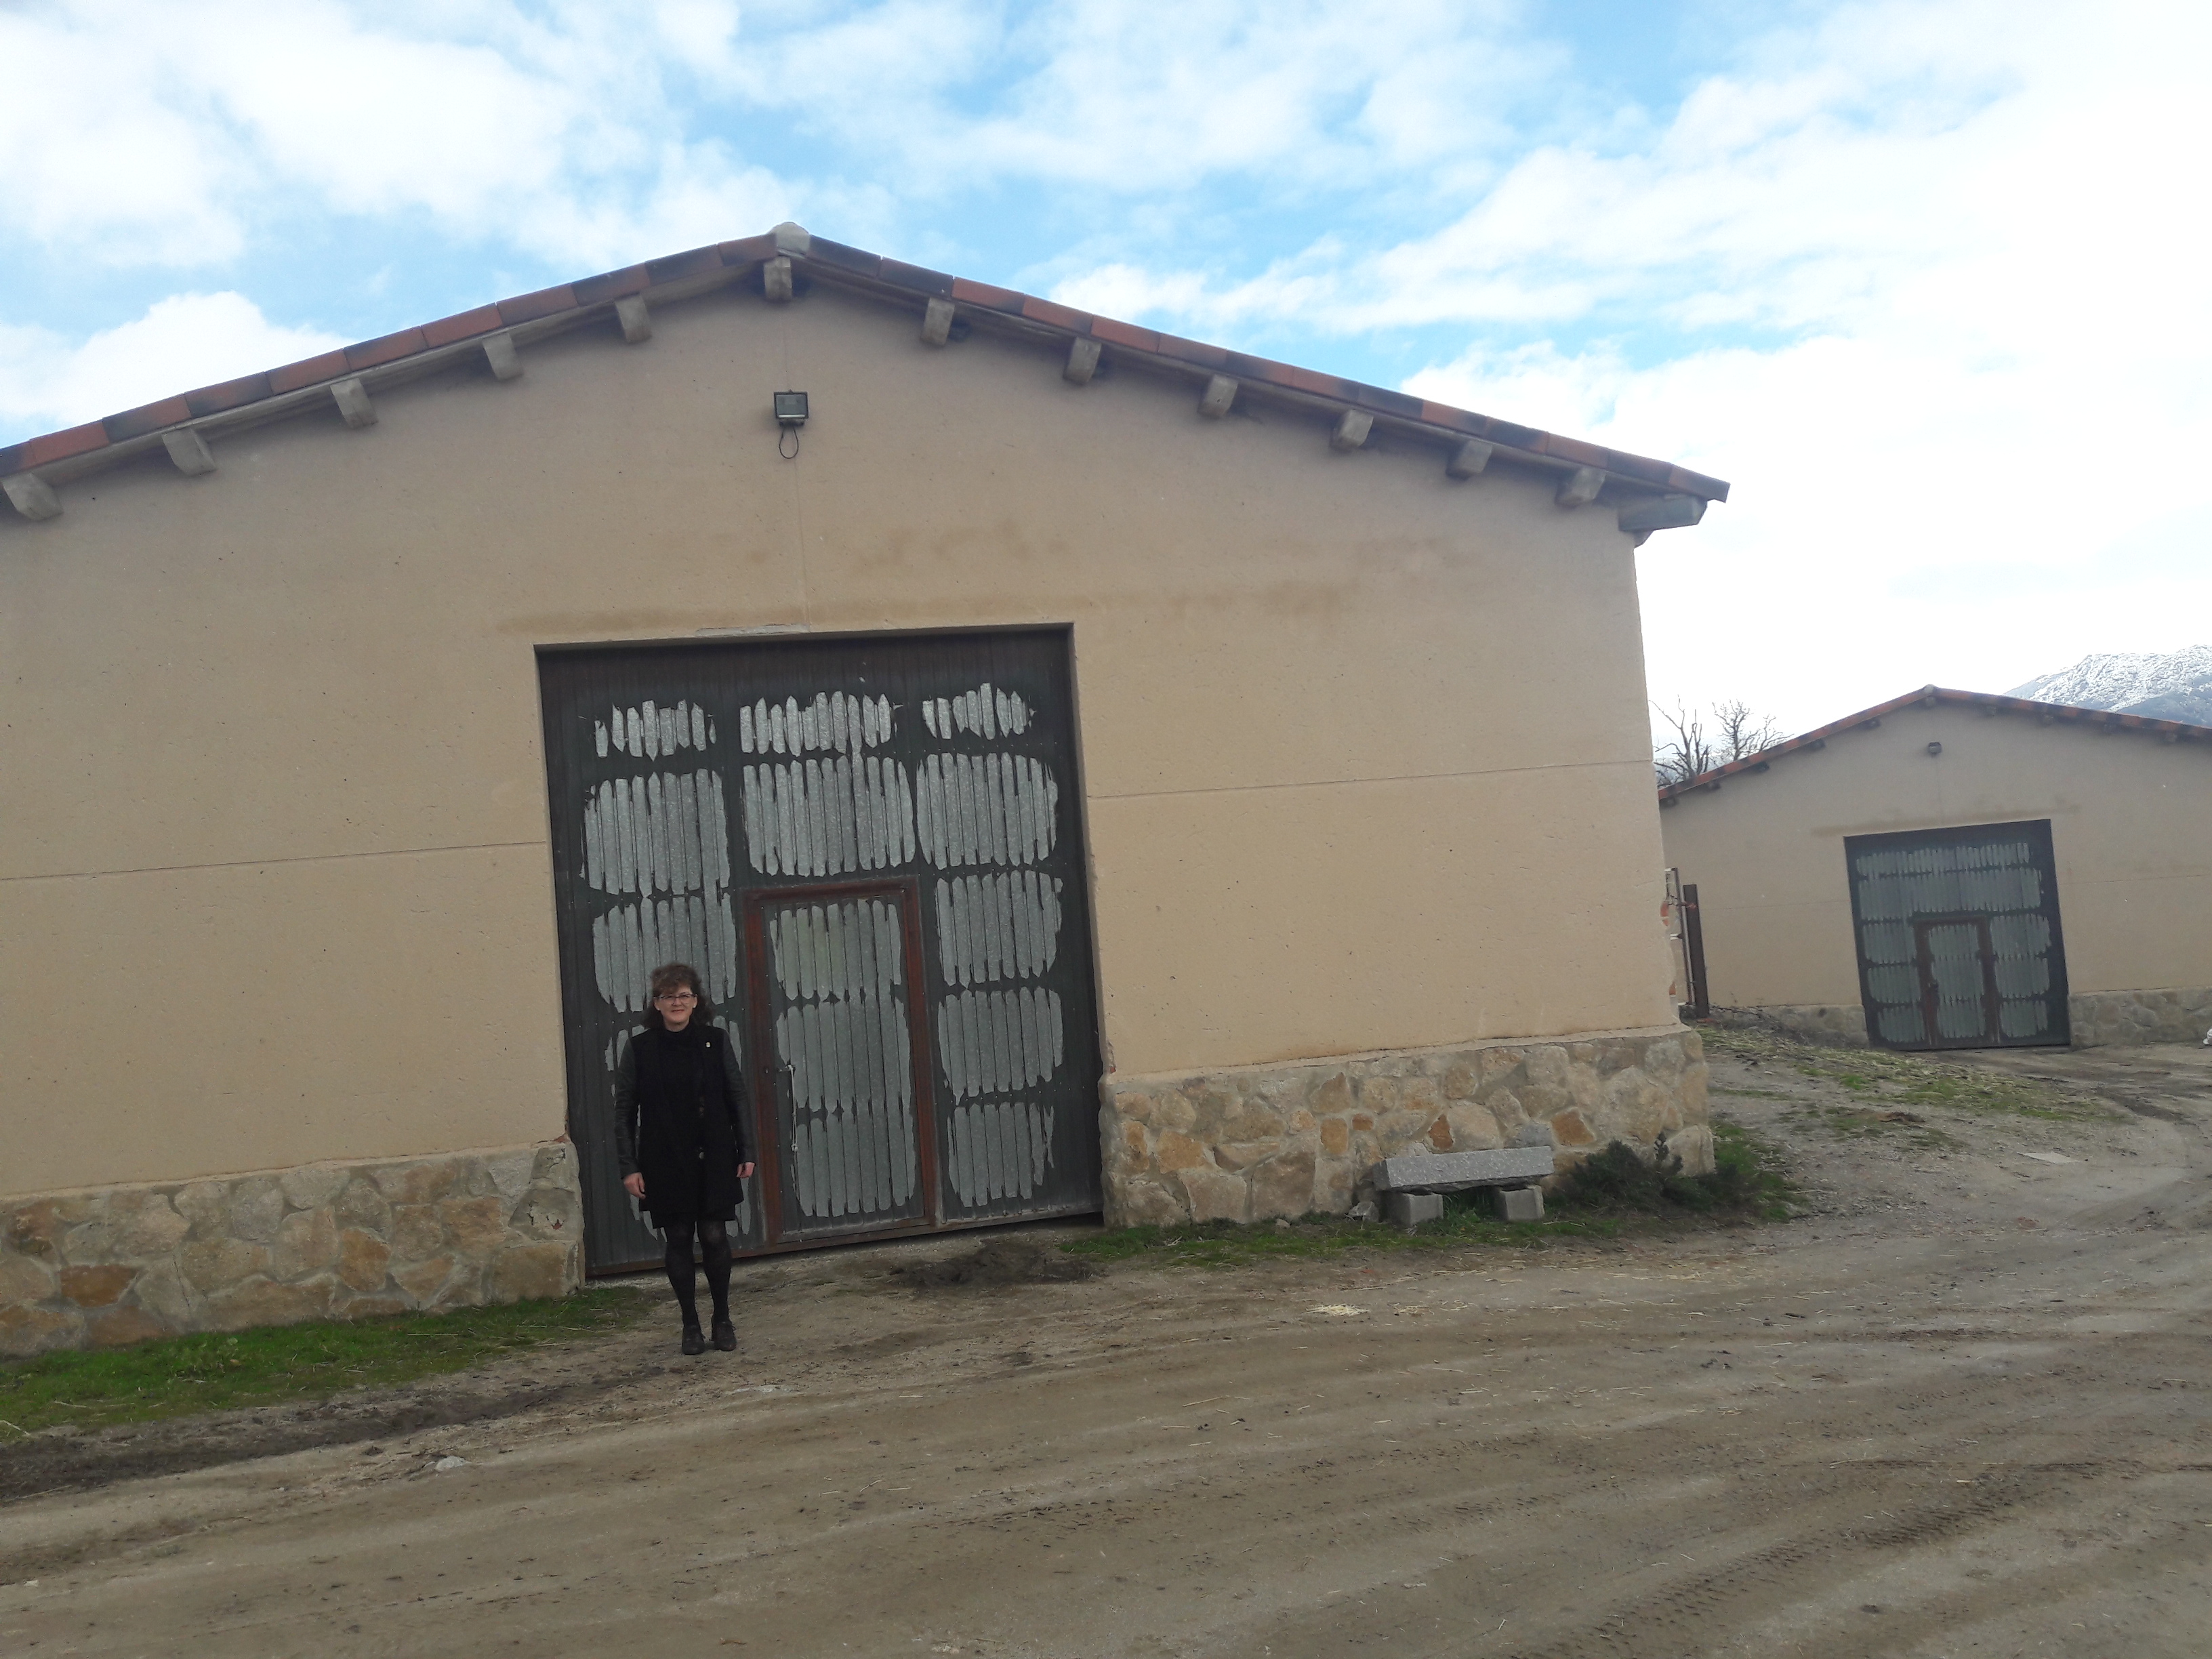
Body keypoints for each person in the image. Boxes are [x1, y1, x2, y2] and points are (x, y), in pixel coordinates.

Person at [614, 962, 757, 1355]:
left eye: (684, 996)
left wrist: (747, 1149)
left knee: (713, 1235)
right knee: (678, 1236)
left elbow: (736, 1096)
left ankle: (722, 1319)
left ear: (696, 1001)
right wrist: (629, 1166)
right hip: (663, 1158)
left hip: (713, 1155)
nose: (676, 1003)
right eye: (668, 996)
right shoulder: (640, 1049)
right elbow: (624, 1110)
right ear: (656, 1004)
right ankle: (690, 1325)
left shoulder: (715, 1040)